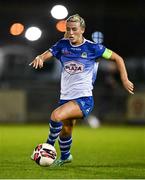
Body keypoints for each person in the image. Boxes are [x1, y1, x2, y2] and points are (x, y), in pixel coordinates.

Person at [29, 14, 134, 166]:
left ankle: (47, 147)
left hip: (84, 99)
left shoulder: (93, 48)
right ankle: (65, 157)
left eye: (74, 29)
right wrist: (40, 57)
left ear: (82, 30)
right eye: (68, 29)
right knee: (66, 130)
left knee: (56, 115)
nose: (71, 33)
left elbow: (118, 58)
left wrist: (124, 79)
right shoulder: (62, 45)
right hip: (65, 97)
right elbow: (47, 54)